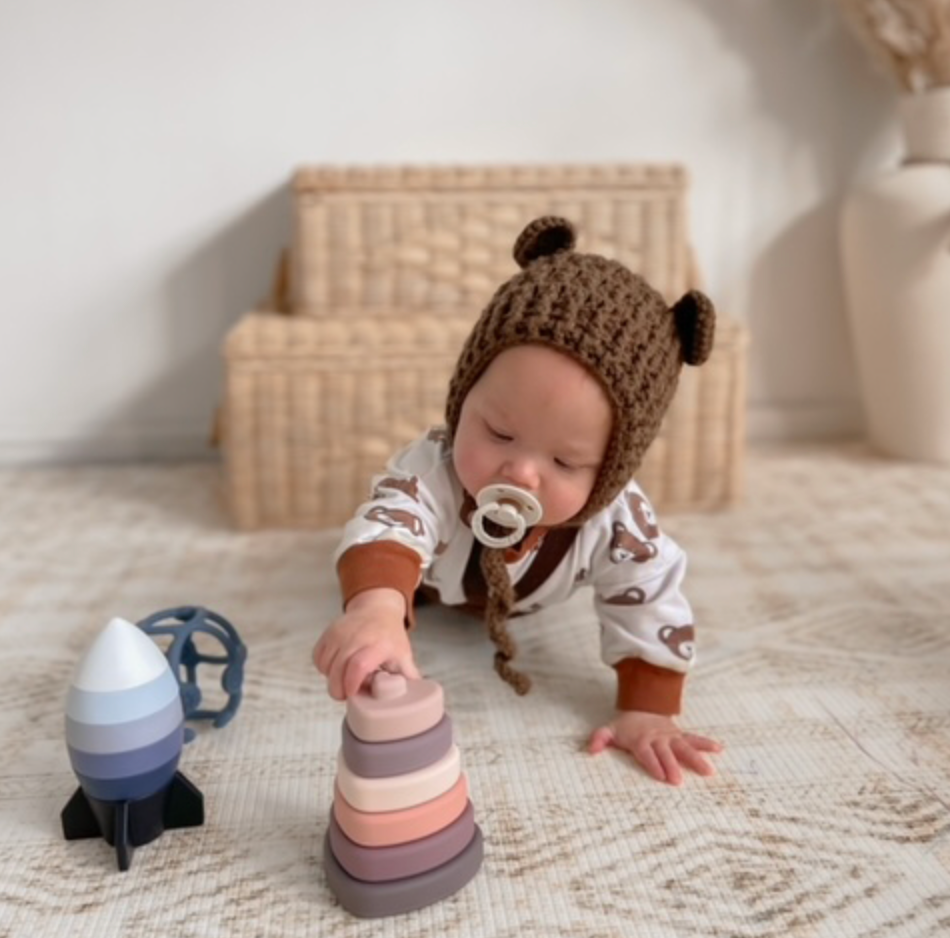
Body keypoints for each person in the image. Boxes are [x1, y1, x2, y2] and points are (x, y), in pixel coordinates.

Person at [313, 215, 723, 786]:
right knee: (398, 564)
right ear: (464, 397)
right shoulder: (433, 470)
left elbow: (649, 596)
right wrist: (377, 607)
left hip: (523, 601)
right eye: (499, 433)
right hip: (429, 582)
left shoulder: (616, 521)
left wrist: (648, 708)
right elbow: (392, 522)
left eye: (565, 462)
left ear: (612, 469)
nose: (522, 471)